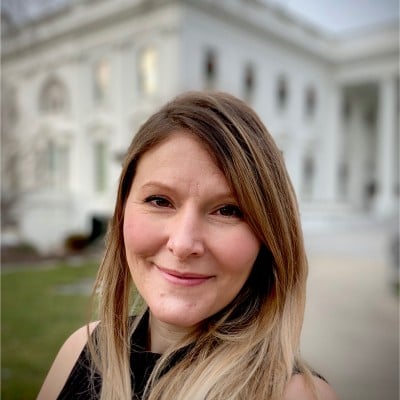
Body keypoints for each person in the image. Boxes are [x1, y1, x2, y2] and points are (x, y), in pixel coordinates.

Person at [38, 91, 338, 400]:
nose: (182, 244)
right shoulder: (80, 351)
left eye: (227, 210)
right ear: (123, 209)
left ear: (269, 235)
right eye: (159, 201)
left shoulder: (296, 395)